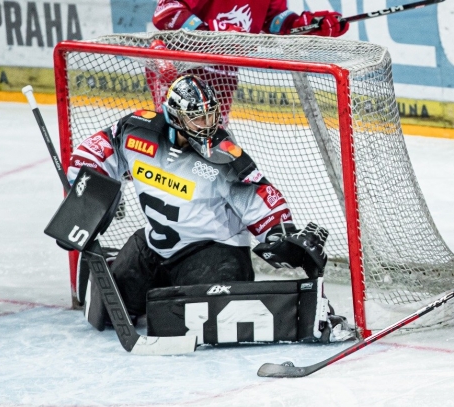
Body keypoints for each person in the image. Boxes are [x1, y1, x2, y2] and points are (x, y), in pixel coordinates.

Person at [67, 75, 332, 326]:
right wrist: (84, 195)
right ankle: (120, 263)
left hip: (213, 252)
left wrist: (279, 234)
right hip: (154, 247)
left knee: (196, 322)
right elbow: (95, 152)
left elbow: (257, 196)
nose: (208, 124)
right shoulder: (137, 129)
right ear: (175, 117)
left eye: (211, 115)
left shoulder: (225, 155)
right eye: (198, 119)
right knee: (110, 314)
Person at [147, 0, 350, 121]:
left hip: (223, 73)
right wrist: (212, 31)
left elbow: (275, 20)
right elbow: (166, 12)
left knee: (205, 146)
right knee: (172, 142)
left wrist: (308, 25)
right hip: (181, 64)